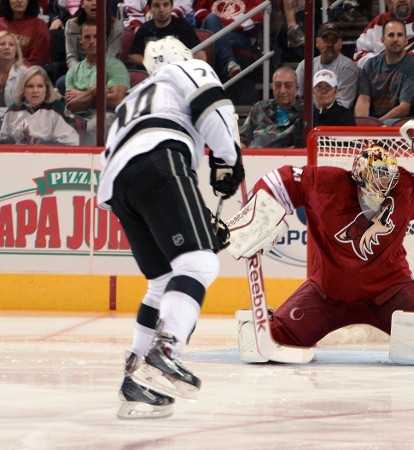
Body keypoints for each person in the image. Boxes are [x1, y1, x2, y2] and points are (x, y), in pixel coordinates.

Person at [97, 36, 243, 419]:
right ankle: (165, 350)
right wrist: (228, 159)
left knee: (162, 281)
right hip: (161, 158)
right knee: (199, 264)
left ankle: (134, 380)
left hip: (118, 184)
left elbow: (113, 155)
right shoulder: (186, 68)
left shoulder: (133, 97)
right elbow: (214, 106)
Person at [236, 124, 414, 356]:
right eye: (377, 178)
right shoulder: (326, 184)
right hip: (326, 295)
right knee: (270, 340)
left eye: (387, 178)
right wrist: (261, 209)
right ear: (358, 176)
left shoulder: (403, 188)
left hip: (390, 291)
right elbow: (280, 181)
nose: (384, 186)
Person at [64, 21, 130, 145]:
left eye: (96, 37)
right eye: (87, 37)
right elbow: (71, 106)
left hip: (107, 115)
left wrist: (81, 95)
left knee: (92, 128)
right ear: (81, 40)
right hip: (79, 115)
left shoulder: (115, 66)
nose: (92, 41)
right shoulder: (73, 71)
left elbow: (116, 101)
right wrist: (94, 90)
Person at [354, 18, 414, 125]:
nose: (395, 39)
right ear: (382, 40)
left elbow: (404, 108)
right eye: (391, 35)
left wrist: (377, 124)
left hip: (400, 124)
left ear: (406, 40)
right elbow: (364, 98)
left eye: (400, 35)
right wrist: (362, 123)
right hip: (374, 122)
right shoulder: (370, 65)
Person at [0, 65, 79, 144]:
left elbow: (70, 141)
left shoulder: (58, 109)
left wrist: (41, 146)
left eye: (40, 86)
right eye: (30, 86)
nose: (35, 91)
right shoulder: (13, 110)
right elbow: (3, 140)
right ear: (23, 89)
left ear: (46, 89)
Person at [354, 0, 414, 71]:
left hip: (409, 77)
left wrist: (395, 63)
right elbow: (359, 56)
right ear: (389, 2)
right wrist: (382, 63)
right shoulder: (377, 23)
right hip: (377, 77)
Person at [295, 21, 360, 109]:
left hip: (336, 119)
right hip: (310, 116)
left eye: (334, 40)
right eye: (326, 40)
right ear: (317, 42)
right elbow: (296, 96)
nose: (330, 44)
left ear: (340, 44)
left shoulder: (348, 68)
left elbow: (343, 105)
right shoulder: (305, 65)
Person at [127, 0, 207, 69]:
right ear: (150, 9)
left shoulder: (184, 28)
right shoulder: (144, 29)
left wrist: (178, 60)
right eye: (156, 6)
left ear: (172, 6)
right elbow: (132, 56)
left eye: (165, 5)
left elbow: (202, 57)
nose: (161, 10)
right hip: (151, 76)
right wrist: (152, 63)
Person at [195, 0, 264, 79]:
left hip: (238, 35)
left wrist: (220, 24)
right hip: (214, 33)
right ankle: (229, 63)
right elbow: (199, 13)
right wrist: (218, 24)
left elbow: (255, 17)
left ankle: (228, 63)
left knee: (216, 36)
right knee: (211, 19)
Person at [240, 65, 302, 148]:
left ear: (297, 88)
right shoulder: (259, 108)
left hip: (286, 159)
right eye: (277, 85)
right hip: (253, 158)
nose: (282, 91)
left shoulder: (306, 111)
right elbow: (242, 140)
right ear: (272, 87)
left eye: (288, 85)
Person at [0, 0, 51, 67]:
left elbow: (36, 61)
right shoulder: (1, 22)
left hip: (24, 73)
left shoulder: (39, 27)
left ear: (28, 2)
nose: (19, 0)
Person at [0, 31, 27, 120]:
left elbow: (27, 106)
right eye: (2, 44)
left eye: (11, 44)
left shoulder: (24, 73)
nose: (7, 47)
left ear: (16, 51)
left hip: (17, 121)